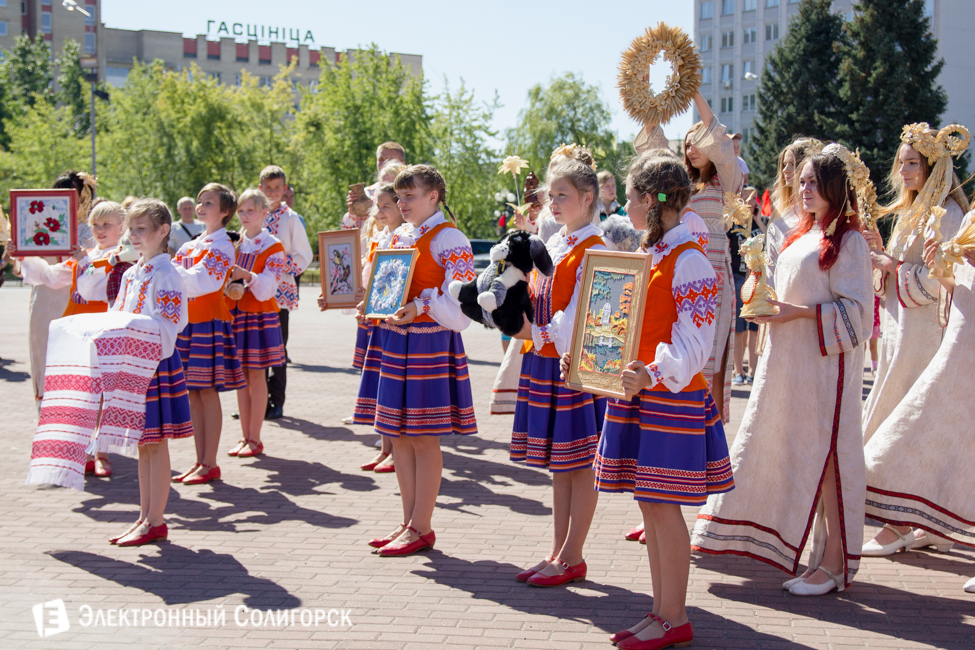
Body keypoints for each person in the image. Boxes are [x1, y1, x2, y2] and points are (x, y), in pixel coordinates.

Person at [691, 145, 873, 596]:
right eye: (802, 181)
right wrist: (760, 296)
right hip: (791, 366)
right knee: (805, 458)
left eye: (813, 182)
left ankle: (835, 565)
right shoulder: (803, 232)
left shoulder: (850, 240)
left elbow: (859, 316)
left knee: (829, 462)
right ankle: (816, 558)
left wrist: (796, 313)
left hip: (826, 372)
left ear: (835, 187)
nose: (804, 188)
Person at [592, 152, 733, 650]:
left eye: (631, 197)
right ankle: (661, 611)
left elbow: (695, 348)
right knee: (650, 503)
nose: (625, 207)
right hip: (644, 394)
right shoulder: (653, 252)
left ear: (652, 200)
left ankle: (674, 616)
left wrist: (649, 373)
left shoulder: (688, 259)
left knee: (663, 506)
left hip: (669, 399)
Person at [26, 199, 192, 546]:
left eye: (141, 228)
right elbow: (115, 310)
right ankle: (145, 517)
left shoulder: (166, 273)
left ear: (163, 230)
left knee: (155, 443)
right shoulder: (131, 273)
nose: (134, 235)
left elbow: (171, 324)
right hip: (133, 362)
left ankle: (156, 520)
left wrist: (129, 329)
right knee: (144, 443)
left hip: (154, 363)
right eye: (131, 229)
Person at [860, 122, 970, 556]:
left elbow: (943, 281)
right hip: (899, 333)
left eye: (912, 164)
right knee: (903, 422)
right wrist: (880, 256)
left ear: (932, 167)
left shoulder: (949, 214)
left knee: (908, 428)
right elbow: (895, 272)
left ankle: (901, 523)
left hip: (928, 336)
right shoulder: (911, 211)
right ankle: (928, 525)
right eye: (901, 163)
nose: (903, 171)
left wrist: (891, 265)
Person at [358, 165, 478, 557]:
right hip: (397, 339)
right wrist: (373, 304)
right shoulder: (401, 234)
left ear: (434, 196)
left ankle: (421, 525)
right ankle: (409, 522)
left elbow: (461, 307)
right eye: (400, 196)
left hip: (429, 343)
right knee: (399, 435)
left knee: (423, 437)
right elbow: (388, 285)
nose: (403, 203)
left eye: (410, 196)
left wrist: (420, 305)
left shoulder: (449, 238)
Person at [509, 157, 606, 588]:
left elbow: (587, 314)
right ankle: (557, 550)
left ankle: (573, 554)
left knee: (579, 463)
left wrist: (537, 332)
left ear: (587, 198)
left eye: (562, 194)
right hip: (547, 360)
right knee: (560, 464)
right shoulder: (558, 242)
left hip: (572, 366)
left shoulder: (596, 248)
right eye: (551, 195)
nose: (553, 202)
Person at [636, 92, 743, 423]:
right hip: (670, 274)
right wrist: (648, 103)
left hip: (712, 276)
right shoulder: (677, 188)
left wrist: (693, 90)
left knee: (705, 355)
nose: (691, 149)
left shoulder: (726, 182)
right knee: (671, 344)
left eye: (699, 143)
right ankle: (670, 417)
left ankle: (706, 426)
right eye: (687, 144)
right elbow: (654, 156)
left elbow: (721, 142)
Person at [17, 200, 131, 477]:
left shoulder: (123, 257)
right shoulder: (87, 254)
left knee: (104, 392)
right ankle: (85, 451)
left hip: (105, 330)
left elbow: (97, 289)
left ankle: (101, 453)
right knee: (82, 391)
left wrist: (84, 261)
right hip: (77, 330)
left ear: (121, 227)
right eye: (95, 225)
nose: (100, 230)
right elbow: (50, 276)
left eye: (106, 225)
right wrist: (22, 255)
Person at [171, 184, 245, 485]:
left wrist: (167, 270)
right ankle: (200, 460)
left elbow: (205, 281)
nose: (201, 206)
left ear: (225, 211)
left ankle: (210, 462)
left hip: (208, 322)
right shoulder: (191, 245)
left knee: (206, 391)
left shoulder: (223, 245)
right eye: (200, 201)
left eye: (209, 203)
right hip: (187, 323)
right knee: (192, 392)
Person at [347, 182, 410, 475]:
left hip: (395, 320)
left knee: (394, 387)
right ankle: (386, 449)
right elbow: (371, 277)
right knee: (382, 385)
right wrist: (363, 301)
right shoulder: (381, 237)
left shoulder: (405, 237)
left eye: (387, 205)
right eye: (378, 206)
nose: (380, 211)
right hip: (378, 318)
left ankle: (396, 451)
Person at [21, 171, 97, 408]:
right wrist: (19, 251)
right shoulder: (37, 225)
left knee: (77, 360)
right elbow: (27, 269)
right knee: (43, 354)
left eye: (71, 194)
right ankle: (46, 417)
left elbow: (91, 268)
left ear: (82, 197)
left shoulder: (90, 231)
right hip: (44, 302)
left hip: (78, 301)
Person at [225, 189, 287, 460]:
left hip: (259, 314)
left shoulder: (272, 245)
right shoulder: (233, 243)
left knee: (257, 375)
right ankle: (245, 436)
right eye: (241, 211)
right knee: (241, 377)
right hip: (236, 314)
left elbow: (269, 288)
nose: (244, 215)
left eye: (250, 210)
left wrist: (247, 275)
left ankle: (255, 438)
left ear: (264, 213)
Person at [259, 165, 313, 419]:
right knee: (254, 347)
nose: (272, 192)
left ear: (284, 189)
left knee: (278, 347)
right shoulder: (253, 214)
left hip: (279, 292)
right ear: (260, 188)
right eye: (268, 188)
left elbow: (304, 255)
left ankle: (277, 400)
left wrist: (276, 264)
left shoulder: (291, 218)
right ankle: (256, 400)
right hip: (254, 292)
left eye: (277, 188)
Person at [765, 138, 825, 286]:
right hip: (777, 291)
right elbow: (771, 267)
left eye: (792, 164)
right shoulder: (780, 212)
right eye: (784, 164)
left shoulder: (818, 212)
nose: (785, 170)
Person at [343, 142, 407, 252]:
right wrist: (352, 214)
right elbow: (347, 233)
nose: (384, 164)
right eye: (381, 159)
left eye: (390, 159)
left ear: (402, 164)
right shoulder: (366, 193)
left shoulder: (411, 195)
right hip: (368, 252)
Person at [730, 188, 766, 385]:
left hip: (758, 278)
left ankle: (753, 371)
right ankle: (738, 371)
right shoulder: (732, 224)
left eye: (754, 199)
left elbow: (771, 241)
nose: (751, 202)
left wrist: (759, 220)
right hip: (738, 278)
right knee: (739, 328)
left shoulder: (762, 222)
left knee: (755, 327)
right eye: (747, 199)